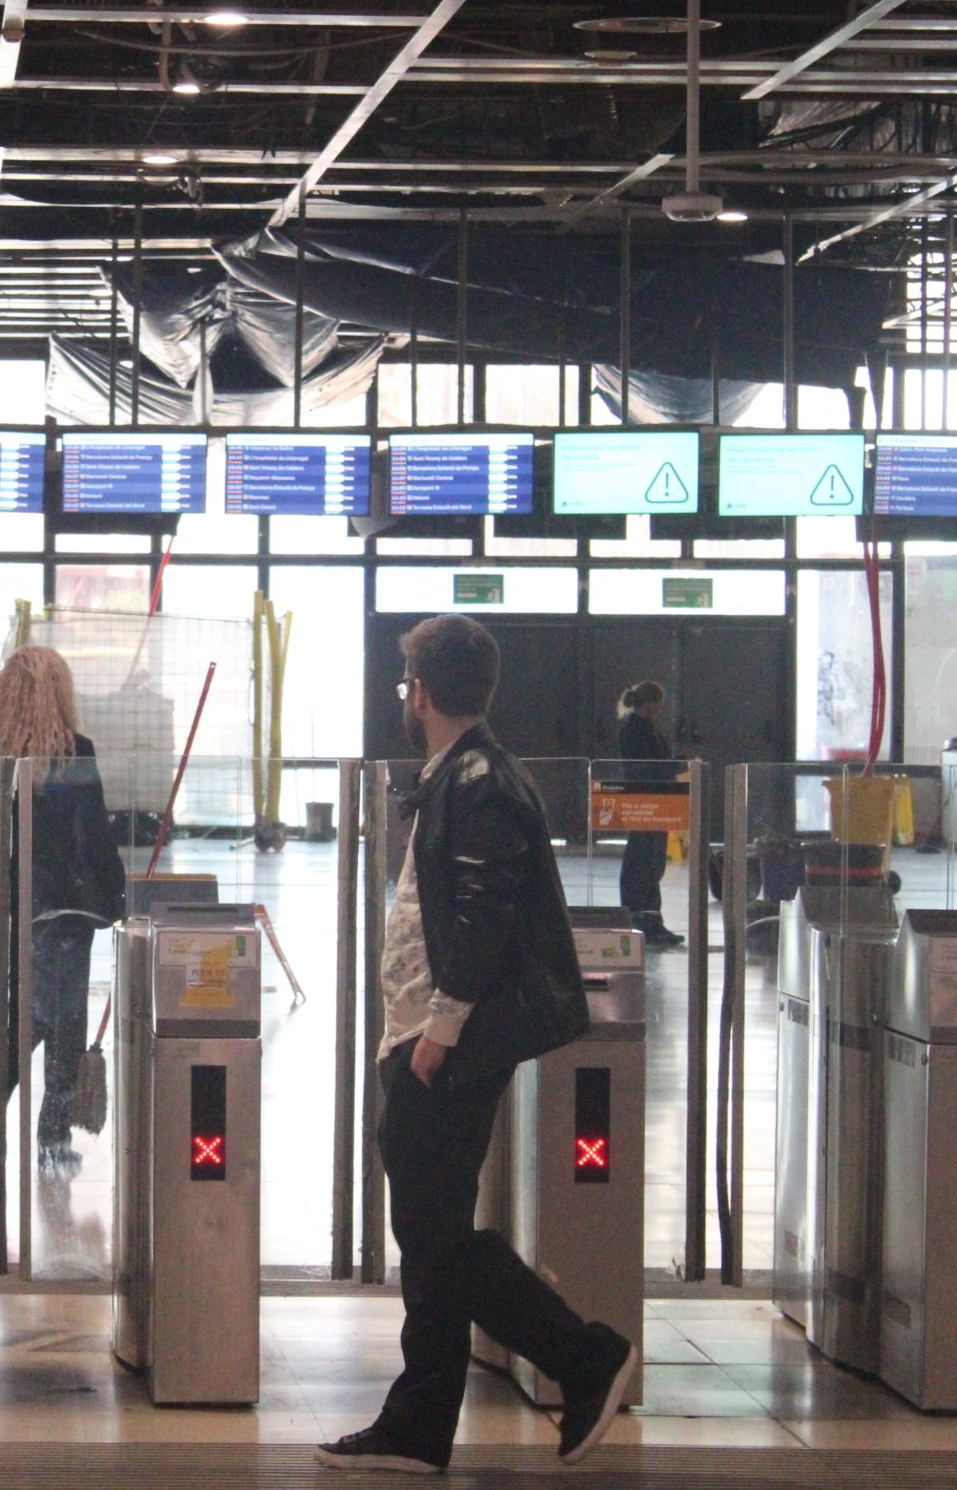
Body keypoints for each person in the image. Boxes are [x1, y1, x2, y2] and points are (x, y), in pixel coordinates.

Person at [319, 615, 637, 1475]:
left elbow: (484, 912)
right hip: (426, 1032)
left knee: (432, 1233)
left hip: (445, 1041)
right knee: (432, 1228)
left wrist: (440, 1032)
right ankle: (420, 1426)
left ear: (421, 690)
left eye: (406, 683)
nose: (404, 697)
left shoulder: (483, 779)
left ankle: (583, 1353)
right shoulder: (462, 772)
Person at [0, 646, 126, 1174]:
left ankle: (0, 1102)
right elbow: (92, 833)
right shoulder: (75, 752)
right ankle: (46, 1131)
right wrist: (116, 896)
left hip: (10, 909)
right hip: (69, 910)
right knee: (61, 1017)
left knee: (28, 1010)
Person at [615, 681, 686, 950]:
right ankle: (640, 920)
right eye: (660, 703)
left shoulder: (642, 729)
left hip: (655, 801)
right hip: (646, 801)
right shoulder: (635, 730)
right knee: (643, 863)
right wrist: (678, 763)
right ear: (650, 703)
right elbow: (648, 767)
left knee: (652, 863)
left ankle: (652, 920)